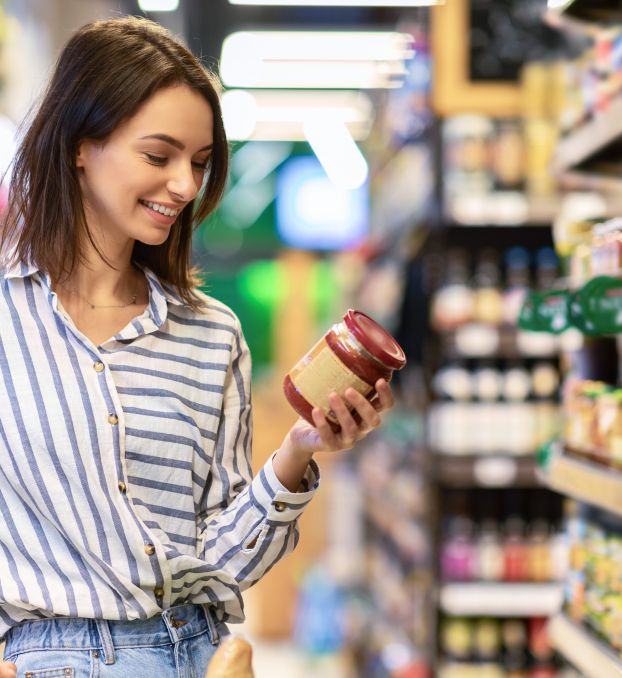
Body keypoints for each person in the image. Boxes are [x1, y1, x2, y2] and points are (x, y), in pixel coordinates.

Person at [0, 15, 394, 678]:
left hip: (197, 655)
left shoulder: (212, 334)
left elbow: (224, 557)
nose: (185, 185)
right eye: (159, 156)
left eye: (200, 163)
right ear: (79, 145)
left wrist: (300, 450)